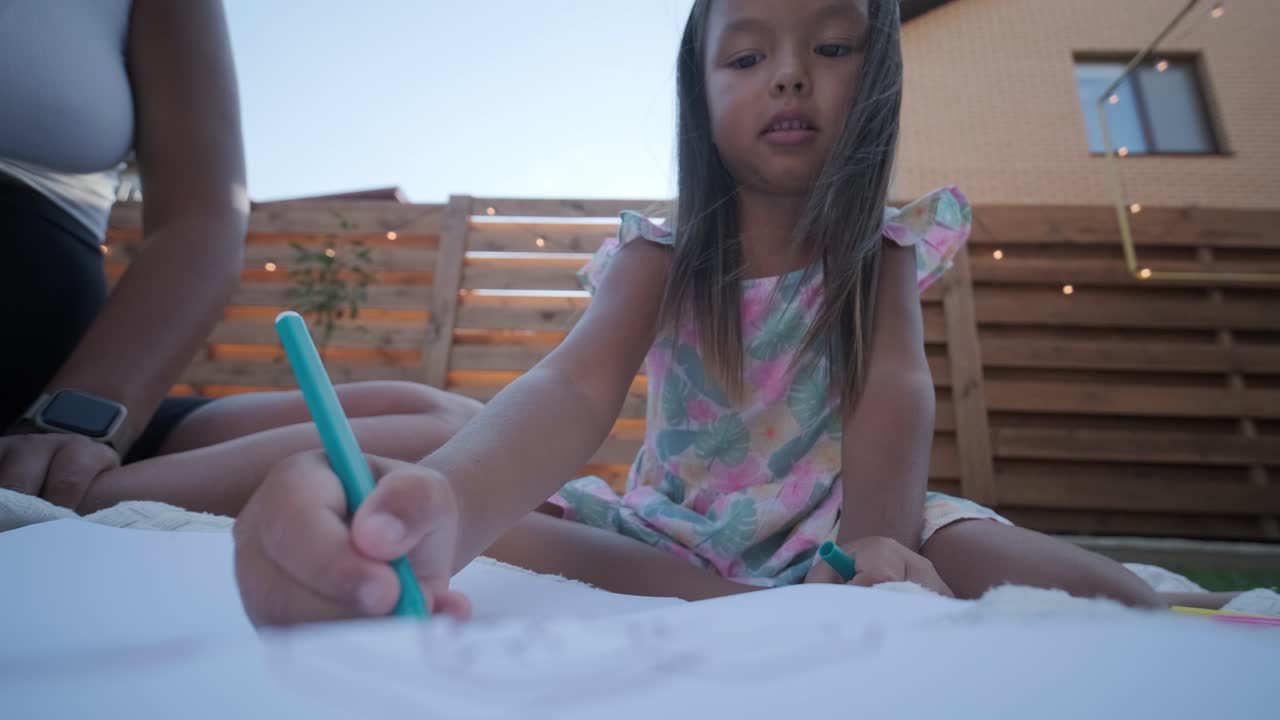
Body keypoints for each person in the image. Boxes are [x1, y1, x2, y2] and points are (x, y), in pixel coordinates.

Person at [232, 0, 1167, 627]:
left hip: (846, 522)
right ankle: (741, 604)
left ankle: (800, 595)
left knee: (1095, 593)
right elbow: (574, 384)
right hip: (673, 531)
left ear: (880, 75)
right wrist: (458, 500)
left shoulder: (881, 248)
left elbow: (893, 390)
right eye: (749, 55)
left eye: (832, 47)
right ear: (700, 91)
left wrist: (874, 548)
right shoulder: (662, 251)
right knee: (491, 523)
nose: (790, 76)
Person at [0, 0, 479, 517]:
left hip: (55, 404)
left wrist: (76, 424)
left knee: (454, 432)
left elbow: (202, 220)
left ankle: (48, 496)